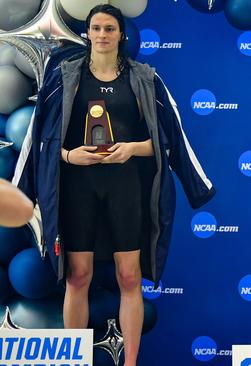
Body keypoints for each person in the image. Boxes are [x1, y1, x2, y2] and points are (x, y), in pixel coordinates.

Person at [13, 5, 215, 365]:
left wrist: (132, 149)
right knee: (77, 277)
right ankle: (73, 359)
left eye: (110, 28)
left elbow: (168, 137)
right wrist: (67, 157)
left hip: (127, 188)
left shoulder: (145, 78)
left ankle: (131, 361)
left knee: (129, 276)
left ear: (121, 35)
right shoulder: (63, 76)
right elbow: (39, 136)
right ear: (87, 33)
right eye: (96, 28)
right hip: (78, 189)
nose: (103, 34)